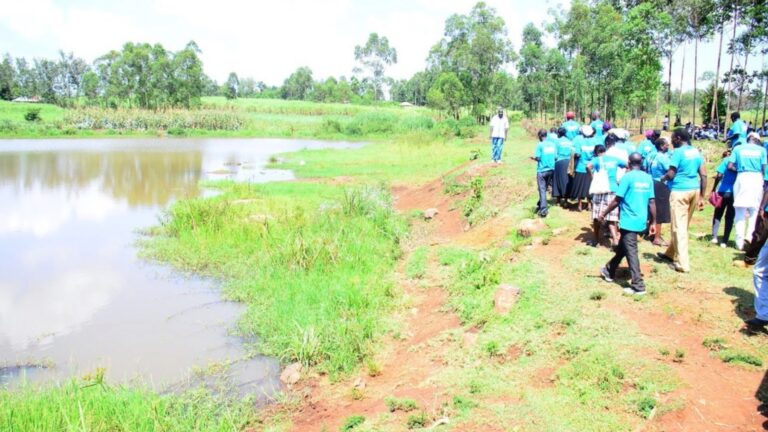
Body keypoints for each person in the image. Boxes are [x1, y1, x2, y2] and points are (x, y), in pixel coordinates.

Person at [600, 152, 657, 296]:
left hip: (628, 220)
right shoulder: (648, 178)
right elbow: (651, 201)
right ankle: (609, 270)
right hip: (641, 220)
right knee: (623, 247)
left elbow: (617, 200)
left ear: (629, 162)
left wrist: (603, 213)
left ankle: (638, 285)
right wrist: (653, 221)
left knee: (631, 251)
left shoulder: (627, 177)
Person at [657, 128, 706, 273]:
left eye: (672, 138)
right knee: (683, 224)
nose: (671, 141)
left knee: (678, 227)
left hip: (680, 191)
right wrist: (702, 196)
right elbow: (703, 175)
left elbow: (671, 173)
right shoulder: (696, 152)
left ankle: (683, 263)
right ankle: (670, 254)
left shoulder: (678, 152)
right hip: (695, 191)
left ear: (678, 138)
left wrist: (663, 178)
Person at [728, 133, 767, 250]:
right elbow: (764, 168)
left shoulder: (738, 148)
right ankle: (749, 237)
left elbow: (730, 166)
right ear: (757, 140)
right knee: (754, 211)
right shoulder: (762, 150)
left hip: (742, 178)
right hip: (756, 179)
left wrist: (740, 169)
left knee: (739, 212)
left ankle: (739, 243)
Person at [588, 134, 626, 247]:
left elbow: (588, 166)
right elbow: (628, 165)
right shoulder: (615, 159)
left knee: (597, 216)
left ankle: (596, 240)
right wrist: (623, 179)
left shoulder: (597, 159)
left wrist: (592, 178)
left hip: (600, 189)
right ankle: (615, 240)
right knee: (612, 217)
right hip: (613, 189)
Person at [645, 137, 672, 246]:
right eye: (666, 145)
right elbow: (670, 171)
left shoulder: (650, 155)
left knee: (652, 208)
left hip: (650, 182)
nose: (668, 146)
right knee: (660, 211)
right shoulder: (664, 158)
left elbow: (644, 167)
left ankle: (650, 231)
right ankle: (657, 237)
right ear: (661, 146)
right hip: (660, 184)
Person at [710, 150, 737, 248]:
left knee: (718, 213)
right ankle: (725, 241)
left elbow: (719, 175)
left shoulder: (726, 160)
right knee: (730, 217)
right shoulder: (741, 162)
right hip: (735, 193)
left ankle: (714, 236)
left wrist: (713, 188)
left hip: (722, 190)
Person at [570, 125, 596, 212]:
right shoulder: (595, 141)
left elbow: (577, 154)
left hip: (581, 167)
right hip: (591, 168)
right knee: (590, 187)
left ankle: (580, 204)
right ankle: (589, 204)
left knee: (580, 187)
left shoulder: (579, 141)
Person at [532, 129, 557, 217]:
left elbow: (538, 158)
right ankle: (540, 204)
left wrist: (533, 158)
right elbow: (555, 157)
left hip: (542, 170)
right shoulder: (553, 145)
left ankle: (543, 211)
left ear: (540, 136)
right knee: (544, 188)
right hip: (551, 169)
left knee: (542, 189)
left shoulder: (540, 145)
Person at [552, 127, 574, 207]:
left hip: (559, 162)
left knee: (557, 180)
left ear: (559, 133)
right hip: (568, 162)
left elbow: (555, 154)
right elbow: (572, 152)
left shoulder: (557, 141)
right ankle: (565, 200)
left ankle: (558, 200)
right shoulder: (570, 141)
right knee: (567, 180)